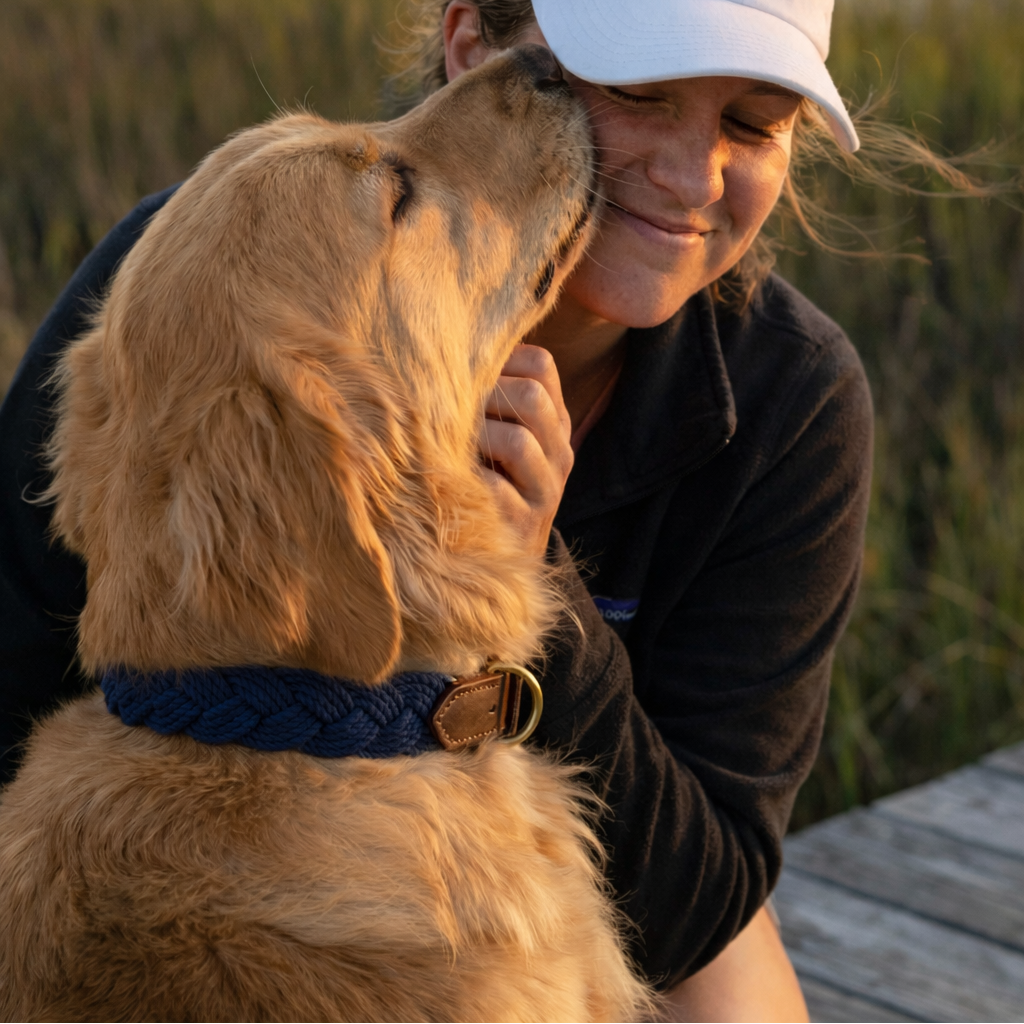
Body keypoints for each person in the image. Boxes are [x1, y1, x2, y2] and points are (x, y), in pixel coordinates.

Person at [0, 1, 957, 1021]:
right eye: (637, 94)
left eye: (755, 125)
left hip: (598, 837)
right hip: (214, 831)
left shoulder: (787, 393)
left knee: (739, 991)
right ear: (471, 46)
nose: (693, 178)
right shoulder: (208, 278)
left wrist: (533, 580)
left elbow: (700, 901)